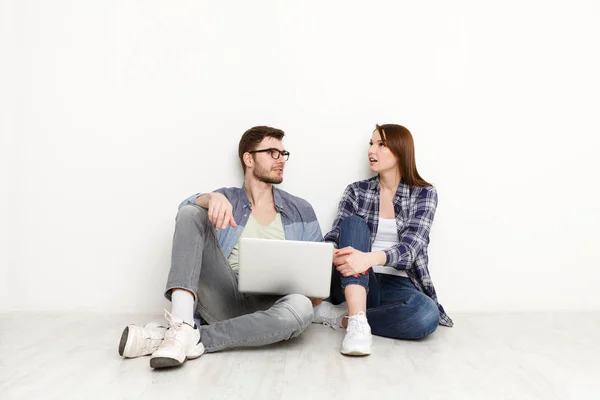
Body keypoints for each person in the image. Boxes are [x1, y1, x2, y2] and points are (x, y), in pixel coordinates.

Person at [118, 126, 323, 368]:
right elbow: (186, 212)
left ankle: (183, 335)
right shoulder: (226, 199)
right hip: (223, 297)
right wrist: (209, 198)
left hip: (271, 309)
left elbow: (316, 283)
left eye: (283, 154)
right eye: (272, 153)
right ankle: (183, 322)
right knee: (190, 212)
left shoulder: (301, 209)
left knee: (302, 308)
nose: (281, 161)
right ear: (249, 158)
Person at [314, 124, 453, 356]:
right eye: (371, 143)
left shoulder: (424, 193)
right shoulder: (356, 191)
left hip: (393, 283)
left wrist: (367, 259)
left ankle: (343, 318)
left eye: (381, 145)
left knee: (427, 315)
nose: (371, 151)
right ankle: (358, 323)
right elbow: (335, 236)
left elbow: (410, 250)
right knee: (353, 225)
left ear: (400, 151)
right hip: (348, 278)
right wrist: (331, 252)